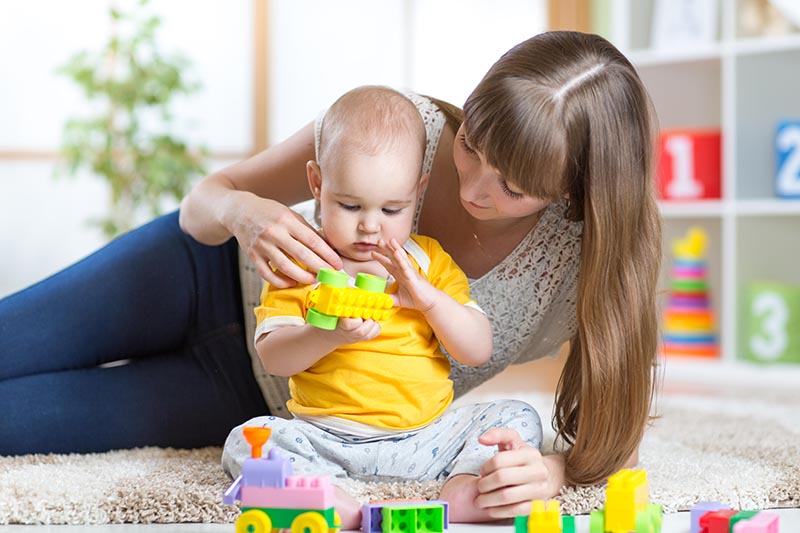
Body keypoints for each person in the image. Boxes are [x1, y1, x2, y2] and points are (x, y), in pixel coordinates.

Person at [0, 31, 661, 520]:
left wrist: (546, 470)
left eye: (512, 186)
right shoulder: (406, 128)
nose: (474, 186)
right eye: (472, 147)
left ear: (573, 194)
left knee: (17, 421)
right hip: (198, 271)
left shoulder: (579, 271)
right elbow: (205, 204)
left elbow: (615, 431)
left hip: (267, 396)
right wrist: (245, 211)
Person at [221, 85, 542, 527]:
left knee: (517, 416)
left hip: (427, 440)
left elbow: (477, 348)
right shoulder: (302, 262)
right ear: (317, 184)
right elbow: (274, 358)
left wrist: (429, 300)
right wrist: (327, 332)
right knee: (246, 443)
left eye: (393, 209)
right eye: (349, 205)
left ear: (419, 190)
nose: (370, 226)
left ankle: (463, 488)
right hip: (325, 439)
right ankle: (328, 499)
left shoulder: (427, 261)